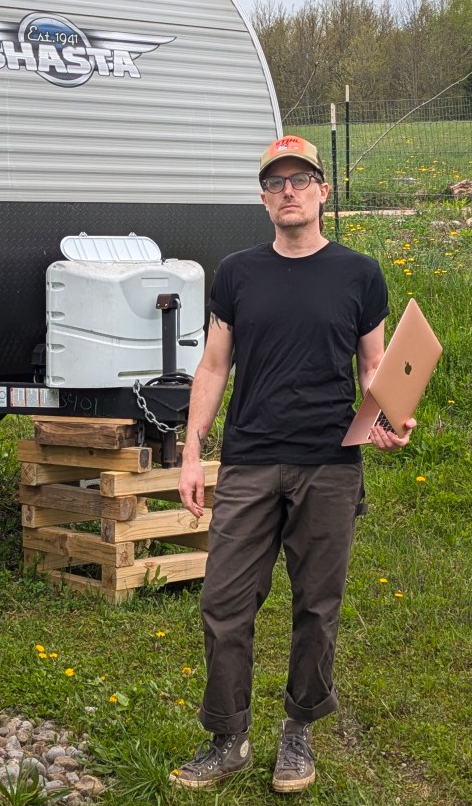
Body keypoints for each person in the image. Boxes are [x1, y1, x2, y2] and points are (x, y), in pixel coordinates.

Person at [170, 135, 413, 794]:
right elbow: (215, 365)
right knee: (224, 603)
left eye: (300, 179)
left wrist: (389, 417)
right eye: (275, 182)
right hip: (250, 459)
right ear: (263, 198)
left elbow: (376, 366)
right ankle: (227, 737)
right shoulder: (237, 273)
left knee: (317, 607)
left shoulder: (359, 274)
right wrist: (193, 449)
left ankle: (299, 731)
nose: (288, 191)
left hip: (329, 463)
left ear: (322, 191)